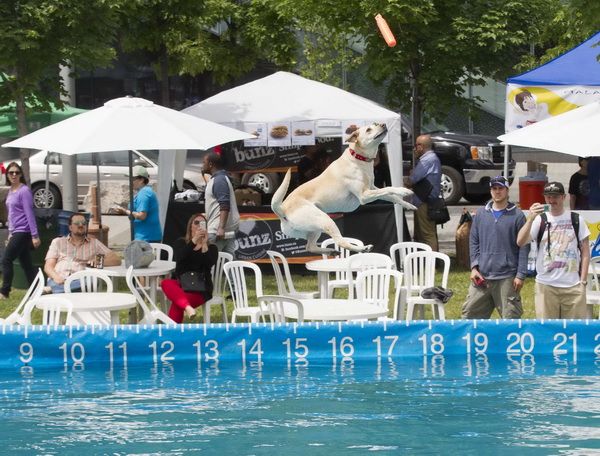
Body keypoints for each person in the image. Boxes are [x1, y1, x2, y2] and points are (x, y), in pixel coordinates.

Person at [517, 181, 590, 319]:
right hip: (546, 286)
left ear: (563, 197)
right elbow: (520, 241)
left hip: (573, 286)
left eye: (555, 197)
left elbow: (585, 251)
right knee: (547, 331)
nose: (552, 200)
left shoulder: (576, 219)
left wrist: (583, 281)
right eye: (548, 197)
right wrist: (530, 219)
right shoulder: (539, 220)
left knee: (573, 331)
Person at [462, 176, 529, 319]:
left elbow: (524, 247)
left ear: (507, 190)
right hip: (482, 276)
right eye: (494, 188)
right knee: (469, 316)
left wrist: (520, 274)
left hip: (507, 277)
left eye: (501, 188)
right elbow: (474, 241)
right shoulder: (481, 214)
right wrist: (474, 267)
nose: (497, 192)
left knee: (511, 318)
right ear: (491, 191)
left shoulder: (517, 215)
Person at [160, 213, 218, 322]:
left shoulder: (212, 247)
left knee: (177, 303)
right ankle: (188, 308)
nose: (199, 226)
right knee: (165, 282)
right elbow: (180, 258)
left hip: (201, 288)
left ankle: (170, 334)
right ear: (190, 226)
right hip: (182, 284)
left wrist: (204, 244)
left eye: (203, 223)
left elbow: (209, 263)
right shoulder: (180, 243)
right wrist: (194, 241)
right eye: (196, 222)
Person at [44, 213, 121, 293]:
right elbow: (48, 266)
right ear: (70, 227)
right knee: (58, 285)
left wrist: (98, 262)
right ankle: (60, 289)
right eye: (77, 223)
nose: (81, 225)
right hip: (59, 278)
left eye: (84, 223)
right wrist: (56, 277)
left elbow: (116, 259)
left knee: (92, 281)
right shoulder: (58, 242)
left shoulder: (94, 243)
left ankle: (52, 290)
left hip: (81, 280)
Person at [0, 162, 41, 299]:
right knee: (27, 264)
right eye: (11, 173)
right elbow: (11, 214)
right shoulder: (11, 191)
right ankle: (37, 290)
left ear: (21, 175)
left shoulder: (24, 191)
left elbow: (29, 213)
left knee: (6, 260)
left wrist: (35, 235)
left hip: (24, 231)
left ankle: (4, 292)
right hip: (16, 231)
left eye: (17, 172)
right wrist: (11, 233)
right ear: (7, 175)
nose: (14, 175)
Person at [403, 135, 441, 251]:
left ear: (421, 146)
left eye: (416, 145)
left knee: (427, 235)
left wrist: (410, 176)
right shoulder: (432, 158)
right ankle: (427, 262)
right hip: (424, 201)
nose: (414, 149)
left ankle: (432, 265)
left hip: (425, 202)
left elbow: (411, 182)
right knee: (422, 235)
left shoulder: (427, 160)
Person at [202, 151, 240, 257]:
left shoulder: (219, 181)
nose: (202, 165)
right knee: (229, 260)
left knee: (208, 260)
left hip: (217, 229)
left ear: (210, 164)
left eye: (204, 162)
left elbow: (224, 205)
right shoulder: (220, 178)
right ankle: (234, 273)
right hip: (226, 228)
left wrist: (221, 228)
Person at [114, 165, 162, 242]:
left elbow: (142, 216)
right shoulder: (146, 191)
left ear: (141, 180)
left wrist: (125, 211)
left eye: (133, 179)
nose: (130, 181)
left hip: (146, 237)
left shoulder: (144, 193)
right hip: (147, 235)